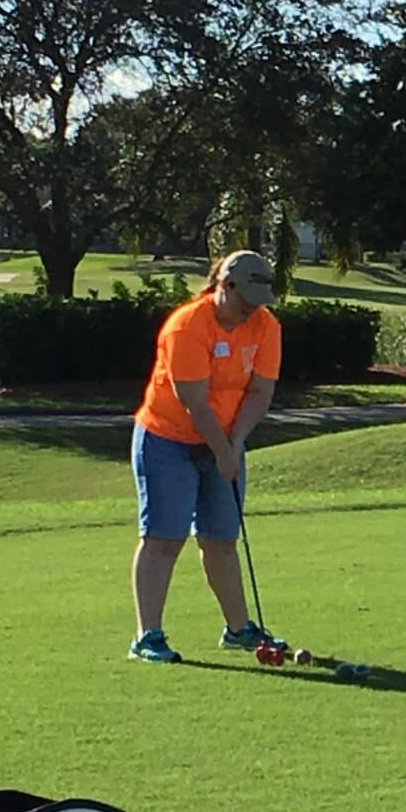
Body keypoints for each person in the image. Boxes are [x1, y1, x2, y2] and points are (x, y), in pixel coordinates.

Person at [129, 251, 283, 663]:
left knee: (221, 539)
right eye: (246, 298)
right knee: (163, 538)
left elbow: (260, 392)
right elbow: (194, 402)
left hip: (226, 438)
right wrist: (223, 450)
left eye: (260, 300)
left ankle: (238, 629)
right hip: (168, 439)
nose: (252, 309)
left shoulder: (266, 326)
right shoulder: (187, 326)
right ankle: (148, 636)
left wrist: (234, 444)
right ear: (224, 286)